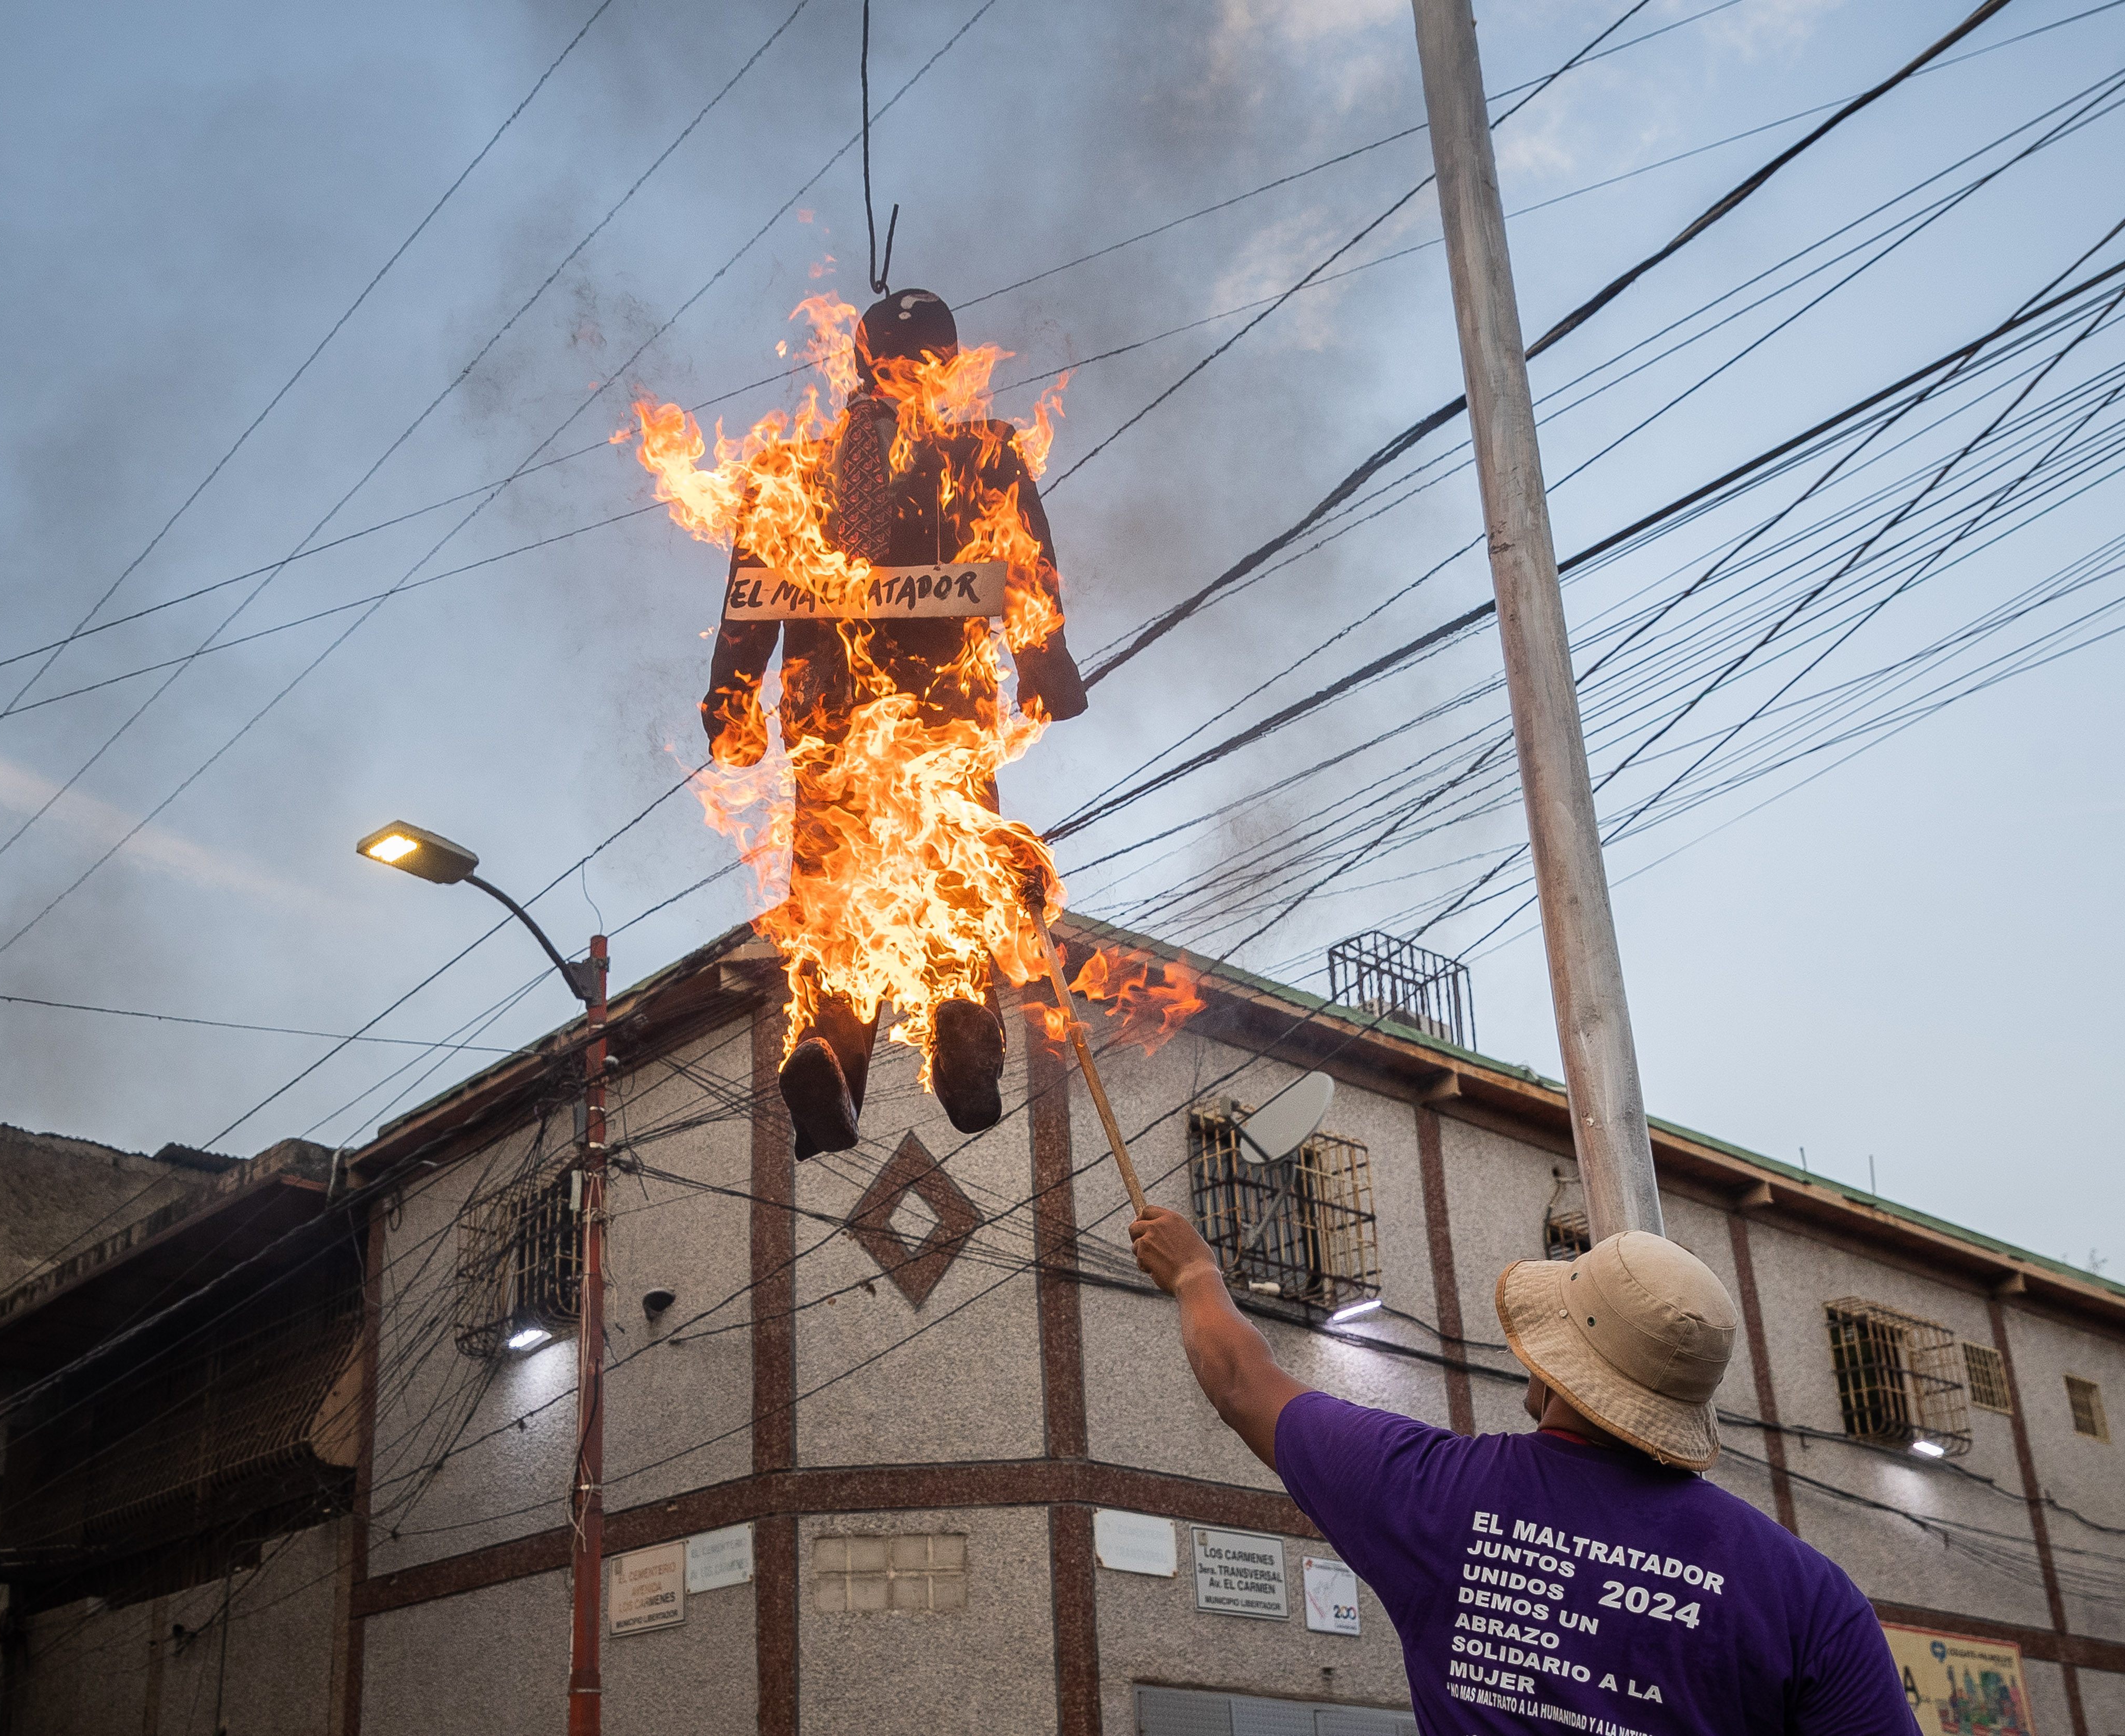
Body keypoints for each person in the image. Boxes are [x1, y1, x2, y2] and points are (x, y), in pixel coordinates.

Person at [1127, 1207, 1917, 1734]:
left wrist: (1197, 1275)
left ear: (1556, 1371)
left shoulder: (1432, 1494)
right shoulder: (1811, 1599)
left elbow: (1240, 1382)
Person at [702, 288, 1086, 1157]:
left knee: (834, 902)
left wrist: (730, 699)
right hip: (942, 711)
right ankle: (961, 1026)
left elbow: (745, 600)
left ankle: (827, 1052)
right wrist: (1044, 666)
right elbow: (1031, 559)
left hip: (829, 717)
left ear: (855, 362)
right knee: (957, 876)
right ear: (947, 366)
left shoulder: (791, 470)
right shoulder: (983, 453)